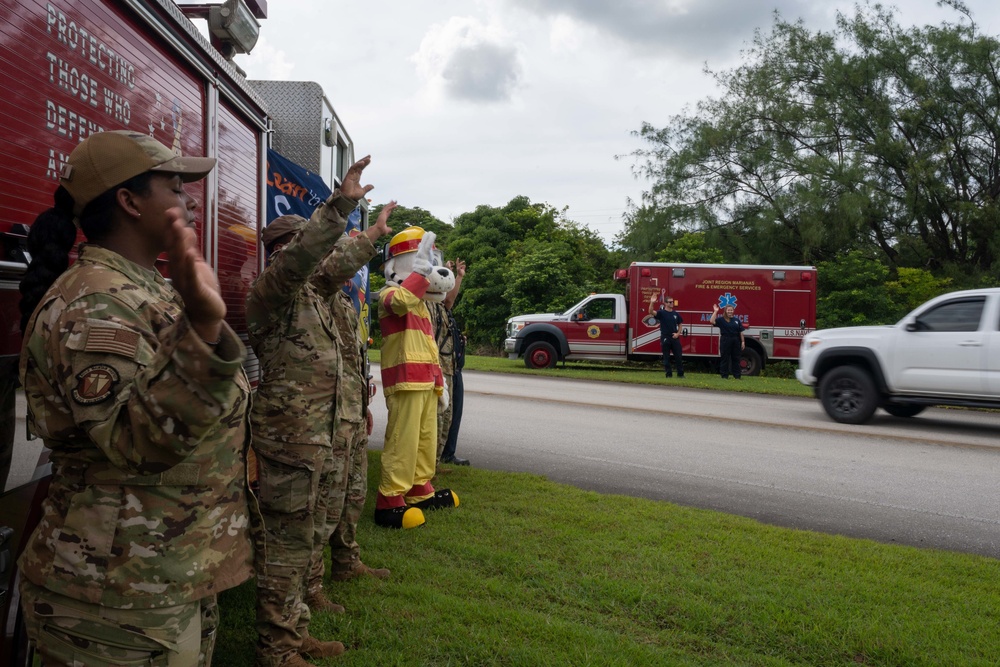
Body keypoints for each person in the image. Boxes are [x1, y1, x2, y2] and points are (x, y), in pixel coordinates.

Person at [16, 130, 253, 666]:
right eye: (175, 187)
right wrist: (202, 332)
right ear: (129, 200)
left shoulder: (145, 290)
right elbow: (135, 443)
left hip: (161, 577)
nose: (191, 201)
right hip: (113, 598)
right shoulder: (97, 302)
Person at [246, 156, 378, 667]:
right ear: (283, 252)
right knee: (284, 547)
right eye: (303, 246)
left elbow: (332, 268)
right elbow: (306, 260)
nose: (317, 256)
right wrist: (340, 205)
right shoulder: (274, 291)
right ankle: (277, 650)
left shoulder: (314, 295)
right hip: (290, 441)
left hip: (316, 438)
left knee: (305, 541)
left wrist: (368, 237)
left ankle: (296, 633)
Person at [311, 206, 398, 598]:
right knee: (323, 505)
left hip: (350, 413)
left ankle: (347, 562)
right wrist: (373, 233)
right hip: (324, 418)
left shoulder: (345, 303)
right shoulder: (309, 297)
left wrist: (361, 405)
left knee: (353, 494)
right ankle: (311, 584)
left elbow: (351, 359)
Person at [434, 257, 469, 467]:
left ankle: (448, 453)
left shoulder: (443, 310)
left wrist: (458, 277)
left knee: (454, 413)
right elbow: (447, 300)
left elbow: (449, 301)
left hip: (453, 365)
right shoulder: (432, 306)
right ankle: (437, 458)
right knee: (443, 413)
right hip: (442, 367)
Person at [649, 293, 684, 378]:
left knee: (678, 356)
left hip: (674, 337)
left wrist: (678, 334)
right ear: (665, 303)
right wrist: (652, 302)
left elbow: (680, 325)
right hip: (665, 337)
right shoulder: (661, 313)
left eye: (672, 302)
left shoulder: (676, 314)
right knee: (666, 357)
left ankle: (680, 374)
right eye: (670, 302)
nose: (672, 303)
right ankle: (668, 374)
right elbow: (651, 312)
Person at [710, 303, 746, 379]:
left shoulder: (736, 320)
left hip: (735, 340)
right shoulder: (721, 320)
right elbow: (712, 321)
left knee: (736, 358)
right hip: (725, 340)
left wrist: (743, 342)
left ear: (733, 311)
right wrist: (715, 311)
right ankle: (724, 376)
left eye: (731, 310)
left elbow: (741, 332)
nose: (730, 311)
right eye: (728, 310)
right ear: (725, 311)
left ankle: (737, 376)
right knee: (725, 358)